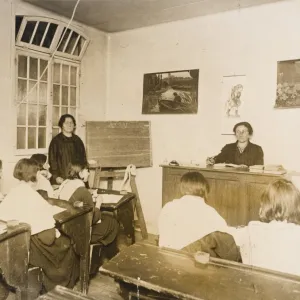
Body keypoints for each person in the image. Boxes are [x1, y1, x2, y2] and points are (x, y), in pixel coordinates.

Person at [0, 158, 80, 291]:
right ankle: (61, 288)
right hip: (35, 246)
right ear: (32, 174)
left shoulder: (13, 192)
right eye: (37, 172)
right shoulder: (32, 195)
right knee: (68, 244)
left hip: (16, 244)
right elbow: (48, 233)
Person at [55, 161, 119, 273]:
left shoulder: (65, 184)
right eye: (87, 171)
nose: (89, 174)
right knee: (112, 222)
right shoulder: (82, 191)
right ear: (80, 173)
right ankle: (110, 260)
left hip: (64, 227)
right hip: (79, 232)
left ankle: (99, 258)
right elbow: (92, 219)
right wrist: (98, 203)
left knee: (106, 219)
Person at [228, 179, 300, 275]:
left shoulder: (252, 229)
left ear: (265, 204)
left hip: (257, 287)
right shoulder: (296, 233)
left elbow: (227, 234)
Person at [158, 172, 228, 250]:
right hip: (189, 259)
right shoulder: (210, 212)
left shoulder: (168, 206)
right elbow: (225, 239)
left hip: (166, 255)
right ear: (205, 189)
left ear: (182, 188)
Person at [48, 114, 87, 185]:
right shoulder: (56, 141)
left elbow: (83, 158)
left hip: (78, 177)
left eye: (71, 122)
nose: (69, 125)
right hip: (62, 178)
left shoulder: (78, 140)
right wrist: (56, 177)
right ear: (61, 125)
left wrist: (84, 171)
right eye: (66, 122)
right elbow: (52, 161)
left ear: (74, 125)